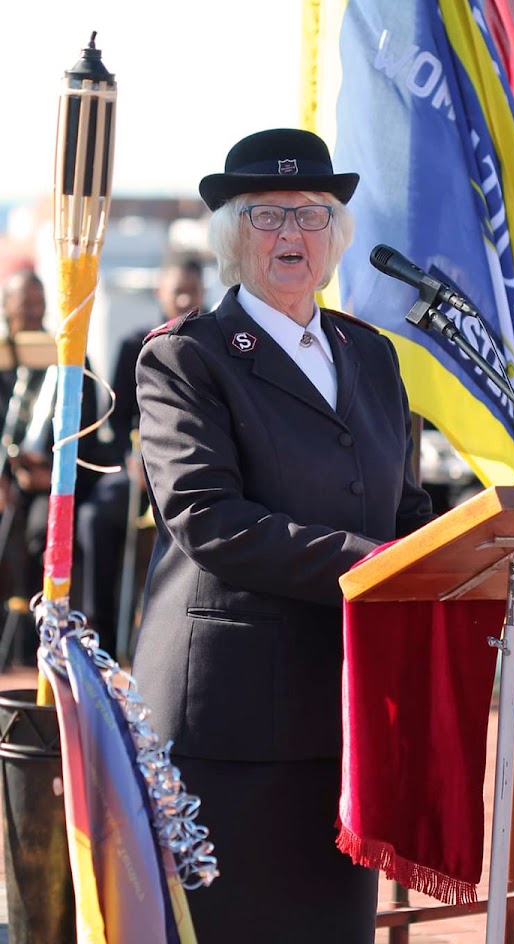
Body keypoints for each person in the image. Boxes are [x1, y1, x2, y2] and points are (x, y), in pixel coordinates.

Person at [131, 128, 435, 943]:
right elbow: (207, 517)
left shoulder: (370, 356)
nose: (290, 235)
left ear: (336, 238)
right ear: (233, 236)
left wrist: (459, 550)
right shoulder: (187, 357)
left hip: (346, 705)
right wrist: (378, 565)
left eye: (311, 215)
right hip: (231, 715)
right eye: (266, 216)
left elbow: (400, 507)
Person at [75, 255, 206, 656]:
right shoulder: (135, 344)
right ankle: (101, 630)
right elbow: (114, 422)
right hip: (137, 472)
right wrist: (129, 462)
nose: (184, 299)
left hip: (198, 476)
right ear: (160, 293)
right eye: (176, 290)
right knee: (94, 515)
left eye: (191, 290)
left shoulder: (215, 345)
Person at [0, 268, 101, 658]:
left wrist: (51, 472)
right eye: (24, 302)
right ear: (7, 306)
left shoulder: (69, 352)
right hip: (8, 479)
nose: (32, 309)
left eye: (39, 302)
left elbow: (88, 428)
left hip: (53, 480)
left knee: (41, 532)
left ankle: (34, 642)